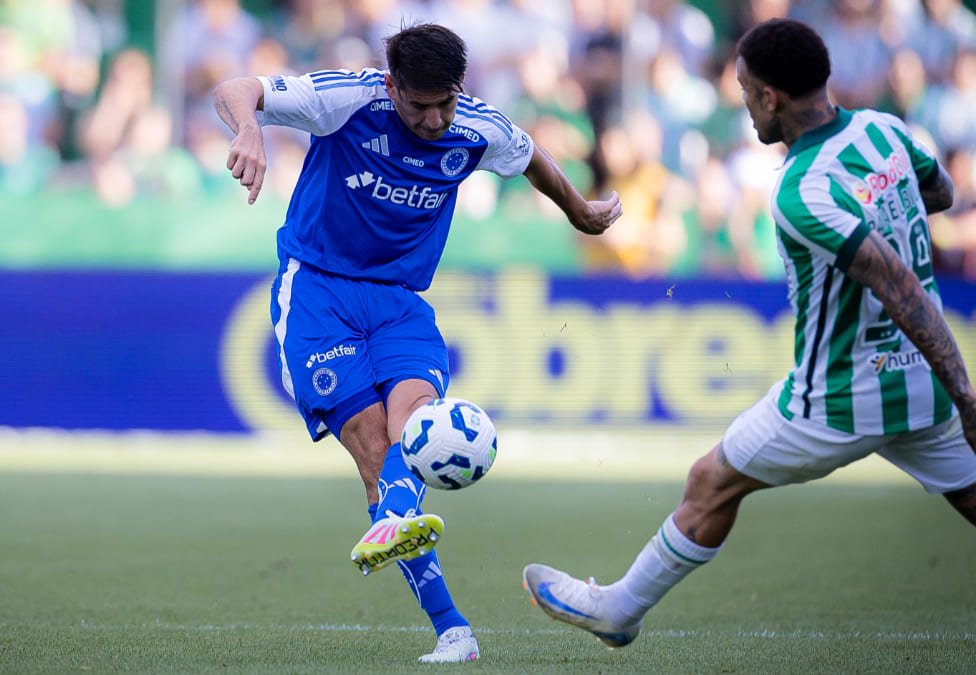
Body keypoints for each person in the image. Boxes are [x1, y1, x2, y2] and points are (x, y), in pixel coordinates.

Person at [523, 17, 976, 648]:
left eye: (744, 90)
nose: (741, 101)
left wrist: (971, 398)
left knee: (713, 480)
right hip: (919, 385)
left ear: (771, 98)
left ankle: (619, 609)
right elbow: (942, 192)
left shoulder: (801, 191)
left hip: (837, 397)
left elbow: (900, 289)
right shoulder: (886, 130)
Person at [212, 22, 621, 663]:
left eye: (445, 103)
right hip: (318, 295)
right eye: (418, 104)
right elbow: (237, 86)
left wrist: (578, 211)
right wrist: (248, 129)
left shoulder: (475, 128)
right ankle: (451, 626)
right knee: (376, 448)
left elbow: (530, 156)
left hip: (400, 301)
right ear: (391, 86)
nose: (433, 120)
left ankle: (398, 522)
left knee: (415, 422)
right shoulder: (347, 99)